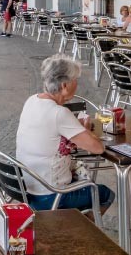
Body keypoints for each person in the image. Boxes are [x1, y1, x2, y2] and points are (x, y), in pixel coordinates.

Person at [15, 55, 115, 213]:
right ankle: (84, 231)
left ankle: (75, 226)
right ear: (64, 85)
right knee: (104, 193)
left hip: (27, 189)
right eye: (76, 79)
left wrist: (77, 130)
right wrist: (86, 131)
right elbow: (97, 148)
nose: (77, 83)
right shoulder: (59, 113)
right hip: (51, 195)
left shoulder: (32, 101)